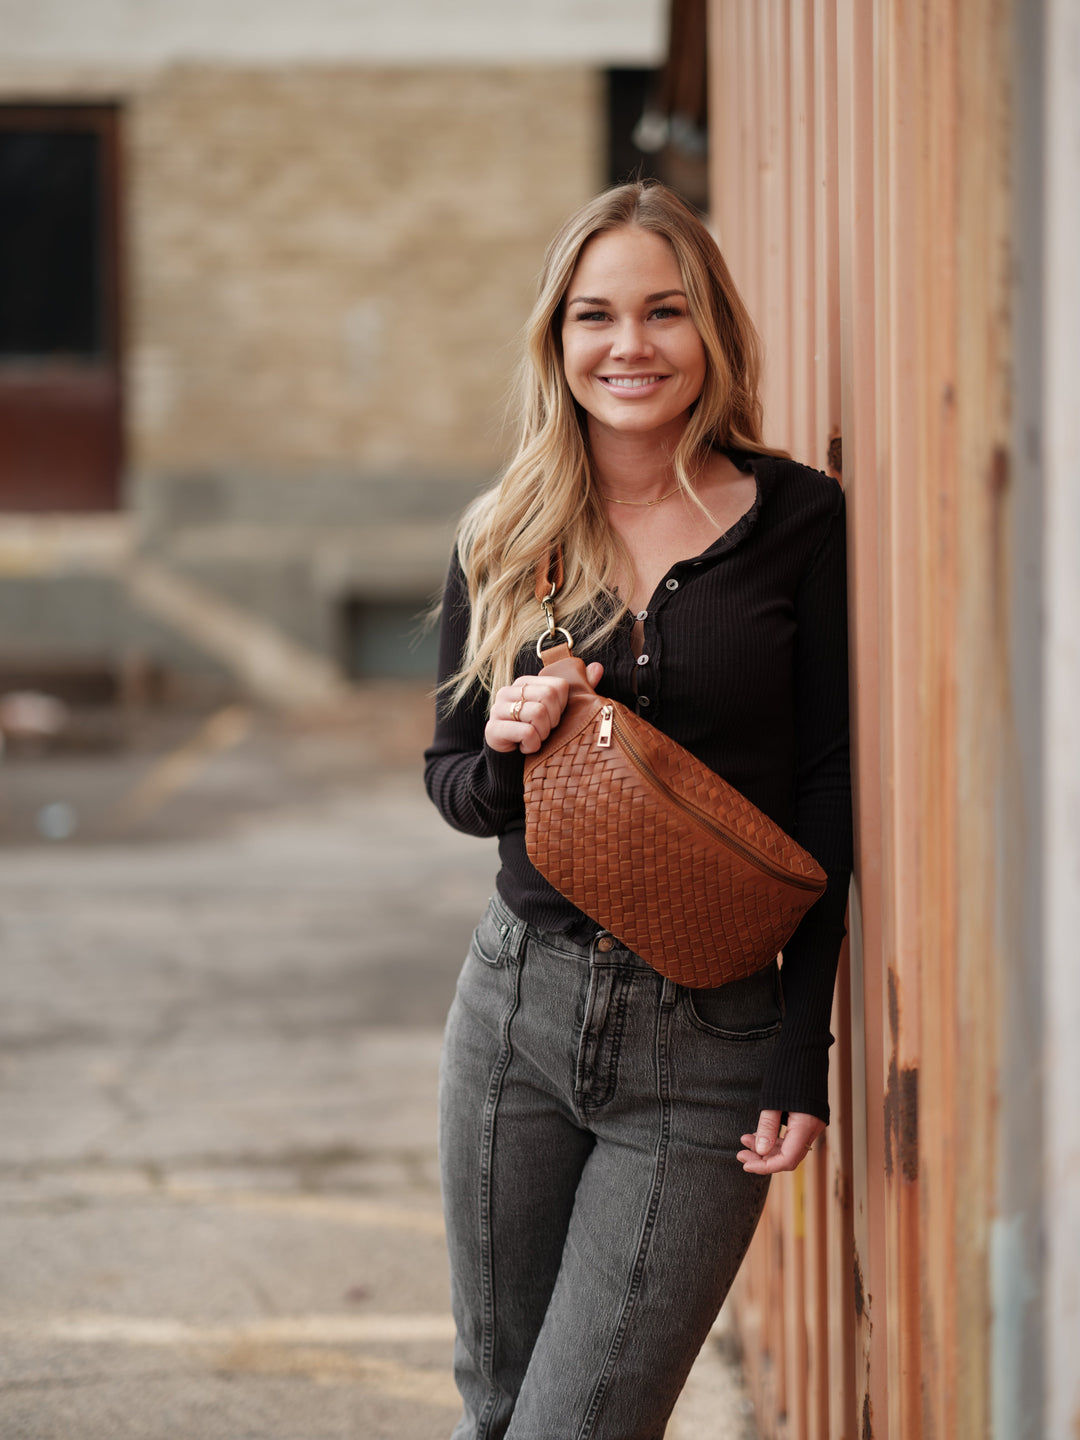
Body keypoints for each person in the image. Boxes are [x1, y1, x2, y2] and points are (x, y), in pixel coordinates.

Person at [424, 180, 852, 1440]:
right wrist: (505, 751)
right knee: (495, 1406)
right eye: (595, 316)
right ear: (557, 342)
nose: (630, 346)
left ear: (711, 330)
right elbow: (452, 782)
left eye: (664, 312)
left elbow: (828, 786)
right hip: (515, 1011)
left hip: (711, 1042)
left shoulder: (797, 520)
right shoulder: (507, 531)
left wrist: (802, 1045)